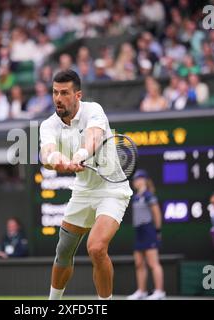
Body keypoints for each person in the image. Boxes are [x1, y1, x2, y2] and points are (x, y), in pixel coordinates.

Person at [40, 70, 133, 300]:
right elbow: (46, 153)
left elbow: (93, 136)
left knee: (96, 248)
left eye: (64, 93)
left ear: (78, 95)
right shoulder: (48, 125)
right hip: (83, 190)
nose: (58, 98)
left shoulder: (94, 110)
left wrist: (80, 154)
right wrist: (57, 161)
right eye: (54, 92)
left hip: (112, 189)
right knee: (63, 250)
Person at [127, 170, 166, 300]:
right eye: (135, 180)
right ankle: (142, 291)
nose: (135, 182)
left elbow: (157, 214)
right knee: (139, 263)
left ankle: (160, 291)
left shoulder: (149, 196)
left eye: (138, 179)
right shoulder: (135, 197)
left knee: (153, 263)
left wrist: (157, 231)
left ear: (143, 180)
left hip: (149, 230)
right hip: (138, 231)